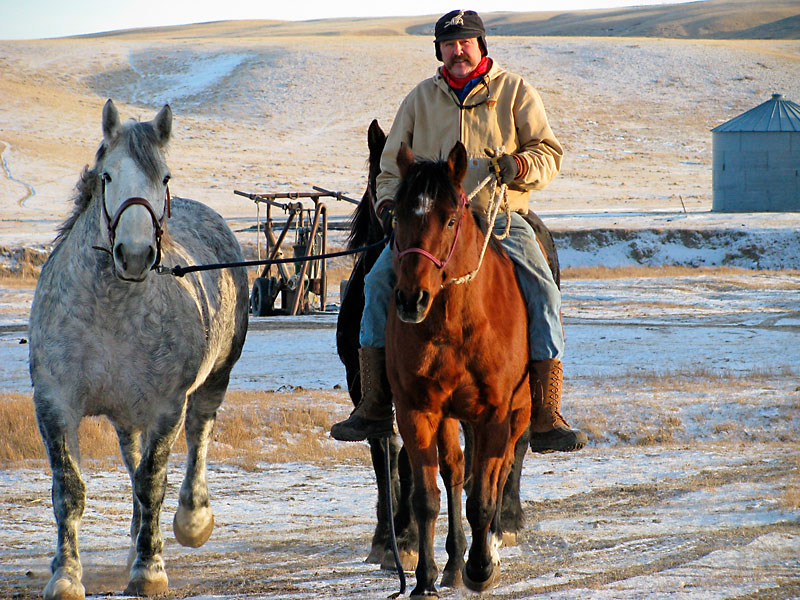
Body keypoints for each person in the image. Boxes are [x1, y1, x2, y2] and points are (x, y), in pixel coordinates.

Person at [331, 9, 587, 454]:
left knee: (543, 291)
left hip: (499, 217)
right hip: (431, 228)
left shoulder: (514, 92)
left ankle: (546, 412)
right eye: (449, 44)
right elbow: (391, 164)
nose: (458, 50)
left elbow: (549, 152)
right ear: (439, 51)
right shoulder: (420, 99)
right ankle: (373, 403)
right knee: (375, 285)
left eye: (466, 42)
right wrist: (391, 205)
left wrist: (520, 164)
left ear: (481, 46)